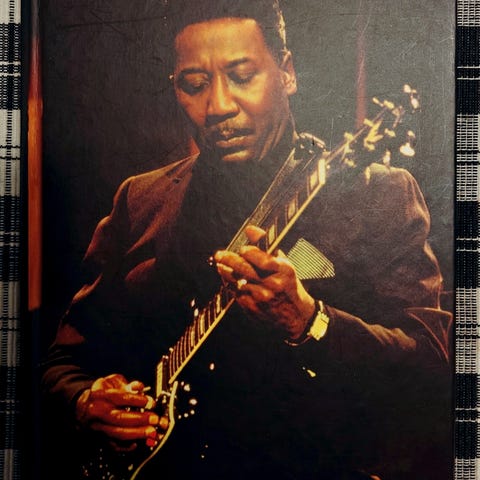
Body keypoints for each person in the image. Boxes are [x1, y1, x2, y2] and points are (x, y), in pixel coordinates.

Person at [41, 1, 452, 479]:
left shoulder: (378, 193)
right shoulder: (140, 199)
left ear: (287, 73)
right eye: (195, 85)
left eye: (241, 76)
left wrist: (310, 321)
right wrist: (83, 399)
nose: (218, 106)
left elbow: (430, 373)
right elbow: (62, 361)